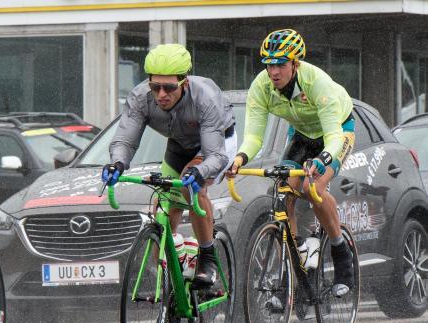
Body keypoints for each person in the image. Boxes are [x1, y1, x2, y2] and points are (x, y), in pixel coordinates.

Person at [227, 28, 355, 296]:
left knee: (313, 189)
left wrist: (323, 159)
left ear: (295, 64)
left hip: (338, 131)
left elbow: (333, 135)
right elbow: (253, 136)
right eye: (269, 65)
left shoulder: (316, 83)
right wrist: (240, 157)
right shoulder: (261, 87)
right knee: (284, 192)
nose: (274, 72)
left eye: (281, 64)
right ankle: (296, 268)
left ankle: (341, 253)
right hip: (302, 135)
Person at [103, 43, 236, 288]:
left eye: (169, 87)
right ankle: (171, 283)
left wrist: (200, 172)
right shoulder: (141, 97)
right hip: (179, 143)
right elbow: (124, 139)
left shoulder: (204, 98)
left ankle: (208, 257)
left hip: (217, 144)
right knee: (163, 206)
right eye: (155, 87)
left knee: (191, 185)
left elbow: (215, 156)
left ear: (184, 83)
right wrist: (117, 164)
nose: (161, 94)